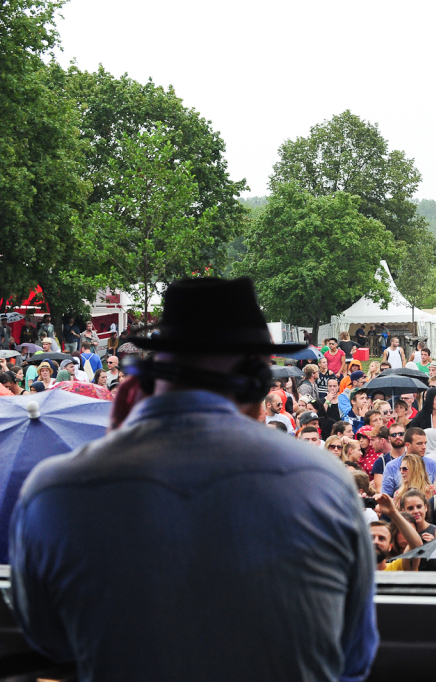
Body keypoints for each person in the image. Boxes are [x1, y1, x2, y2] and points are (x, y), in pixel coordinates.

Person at [10, 277, 378, 679]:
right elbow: (353, 656)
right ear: (258, 380)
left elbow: (53, 641)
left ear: (154, 372)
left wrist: (111, 452)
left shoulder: (56, 490)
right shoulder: (323, 483)